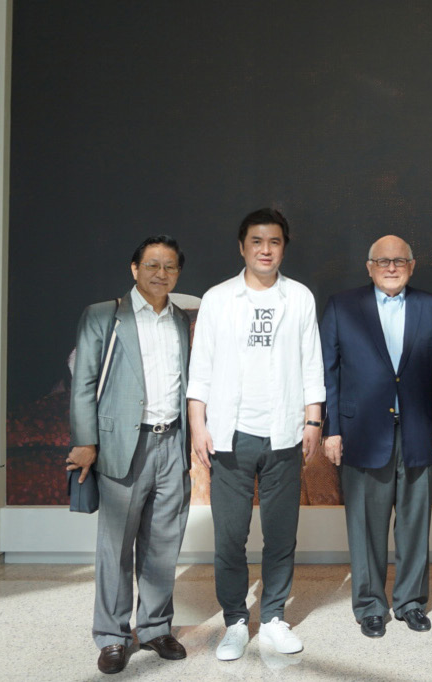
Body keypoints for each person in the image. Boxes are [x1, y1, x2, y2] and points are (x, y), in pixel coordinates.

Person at [186, 208, 325, 660]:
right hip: (230, 435)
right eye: (257, 242)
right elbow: (201, 368)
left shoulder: (298, 297)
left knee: (281, 534)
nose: (266, 250)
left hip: (283, 432)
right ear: (242, 247)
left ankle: (274, 618)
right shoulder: (218, 299)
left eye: (275, 242)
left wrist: (312, 420)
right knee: (230, 536)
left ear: (284, 247)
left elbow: (311, 362)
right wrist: (198, 426)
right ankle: (234, 621)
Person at [66, 236, 192, 674]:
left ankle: (155, 627)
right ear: (134, 268)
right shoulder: (105, 315)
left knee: (163, 544)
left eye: (170, 266)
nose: (161, 273)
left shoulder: (180, 319)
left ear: (178, 273)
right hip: (124, 443)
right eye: (152, 265)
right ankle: (112, 636)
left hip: (171, 442)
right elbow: (84, 381)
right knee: (115, 547)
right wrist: (86, 442)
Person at [320, 235, 432, 638]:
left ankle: (411, 602)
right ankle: (370, 605)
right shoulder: (342, 307)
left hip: (419, 432)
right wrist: (331, 430)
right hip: (360, 432)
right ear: (369, 267)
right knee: (365, 526)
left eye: (399, 261)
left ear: (412, 265)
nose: (391, 267)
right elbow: (328, 374)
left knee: (414, 524)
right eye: (382, 261)